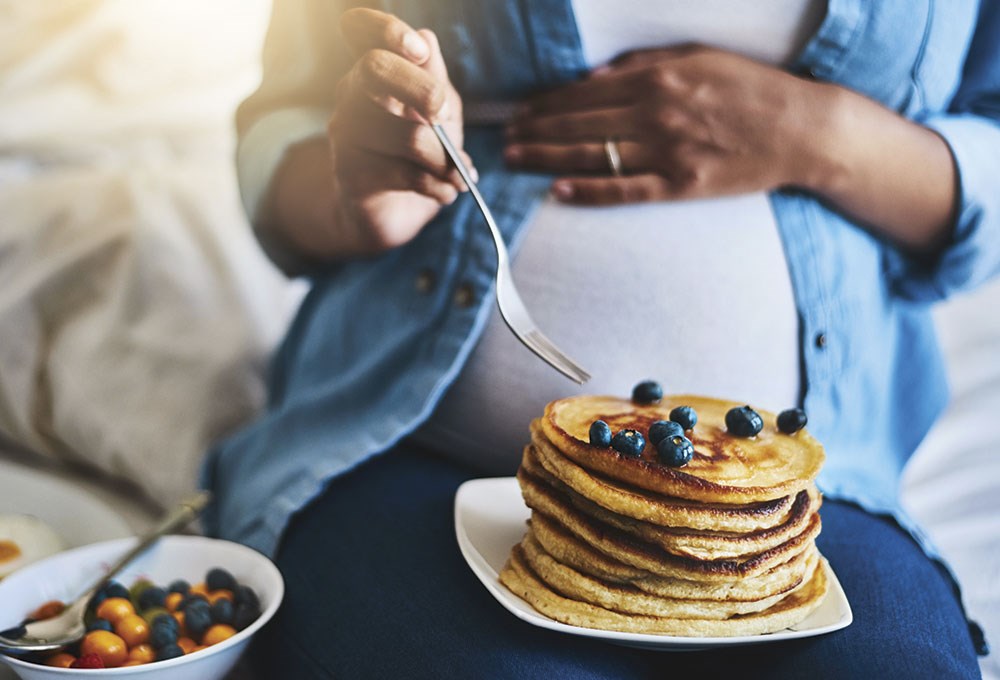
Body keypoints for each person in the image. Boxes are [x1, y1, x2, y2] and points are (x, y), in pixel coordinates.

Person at [201, 1, 999, 677]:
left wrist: (824, 137)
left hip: (802, 504)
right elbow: (282, 122)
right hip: (412, 446)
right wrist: (352, 190)